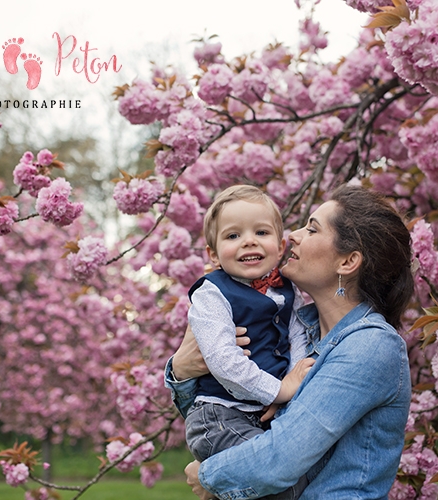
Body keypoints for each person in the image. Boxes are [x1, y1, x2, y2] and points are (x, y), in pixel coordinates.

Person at [165, 184, 415, 499]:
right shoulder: (299, 334)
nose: (292, 235)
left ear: (347, 262)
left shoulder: (370, 345)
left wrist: (207, 476)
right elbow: (221, 412)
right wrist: (183, 371)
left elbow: (280, 458)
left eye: (312, 229)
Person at [180, 185, 314, 499]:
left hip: (264, 412)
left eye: (261, 232)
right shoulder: (211, 294)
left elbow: (297, 336)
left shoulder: (287, 291)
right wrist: (277, 390)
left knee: (290, 480)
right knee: (284, 483)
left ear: (281, 246)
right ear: (213, 254)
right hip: (220, 415)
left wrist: (293, 383)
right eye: (232, 236)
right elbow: (223, 360)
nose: (249, 240)